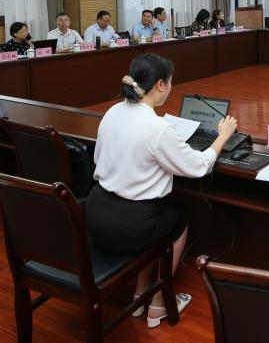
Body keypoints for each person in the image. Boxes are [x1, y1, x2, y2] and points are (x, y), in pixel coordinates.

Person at [85, 53, 238, 328]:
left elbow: (99, 159)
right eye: (170, 82)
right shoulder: (158, 128)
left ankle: (139, 294)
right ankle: (158, 304)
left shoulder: (112, 112)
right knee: (177, 219)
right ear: (159, 85)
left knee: (153, 216)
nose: (170, 86)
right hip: (130, 226)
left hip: (96, 214)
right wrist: (222, 136)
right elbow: (199, 166)